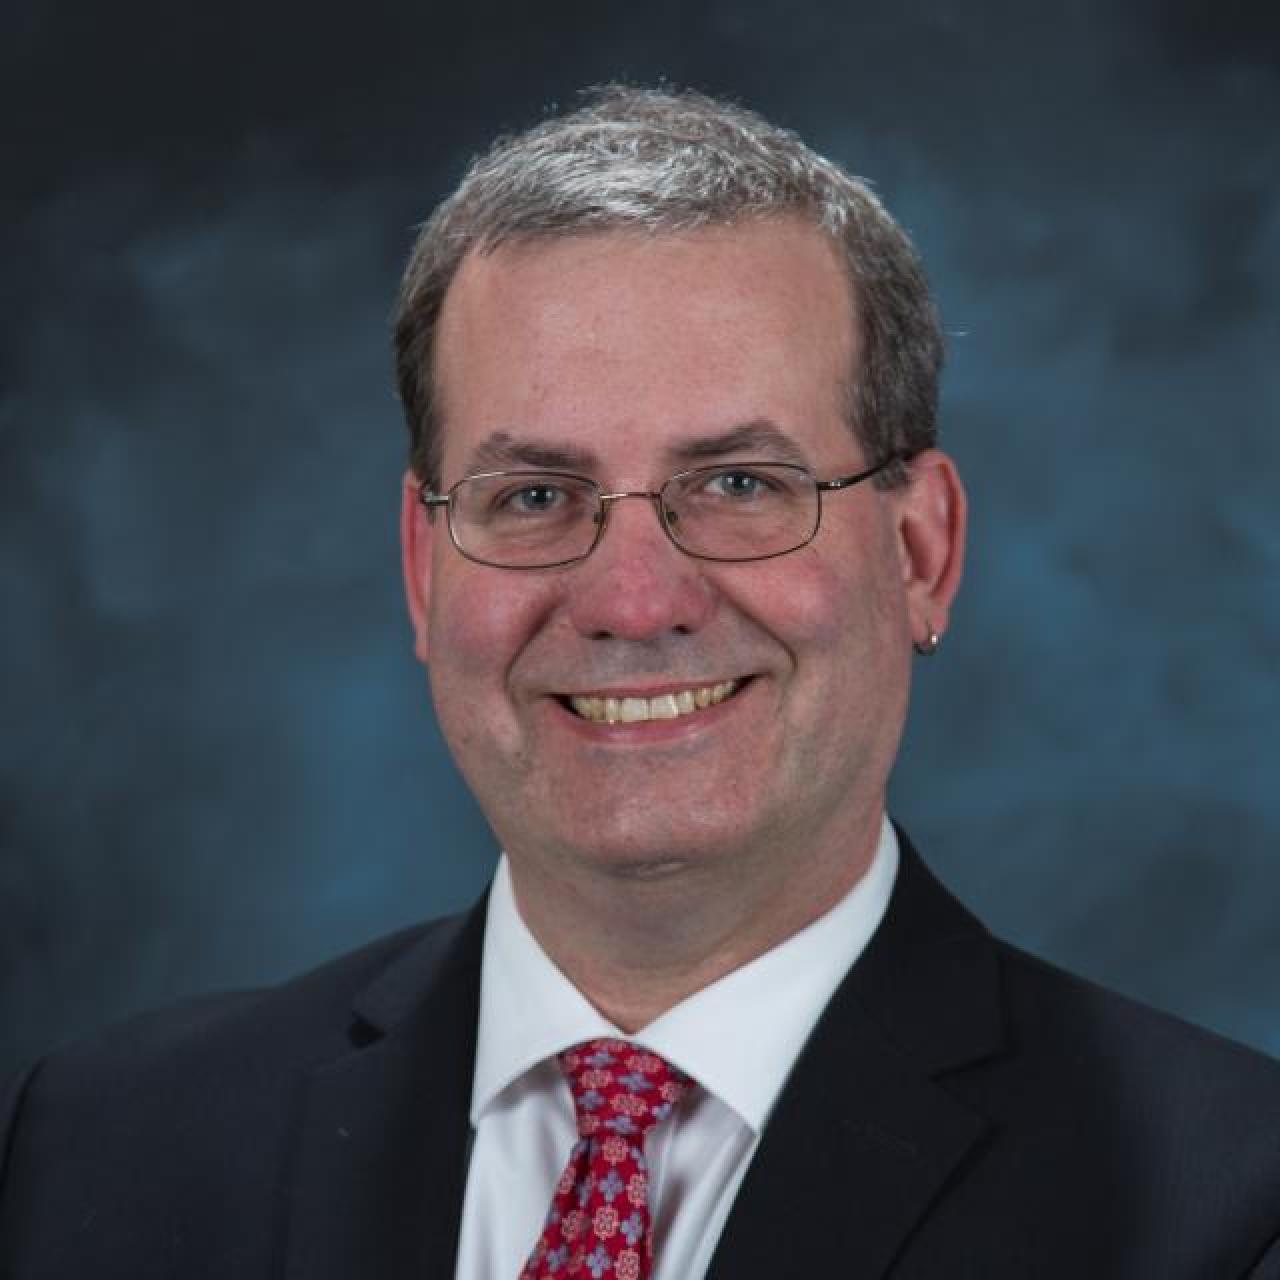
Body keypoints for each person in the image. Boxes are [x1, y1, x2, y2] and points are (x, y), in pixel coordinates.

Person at [2, 86, 1278, 1280]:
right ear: (421, 566)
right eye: (534, 497)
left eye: (737, 485)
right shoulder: (113, 1148)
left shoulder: (1219, 1200)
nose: (629, 601)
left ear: (918, 552)